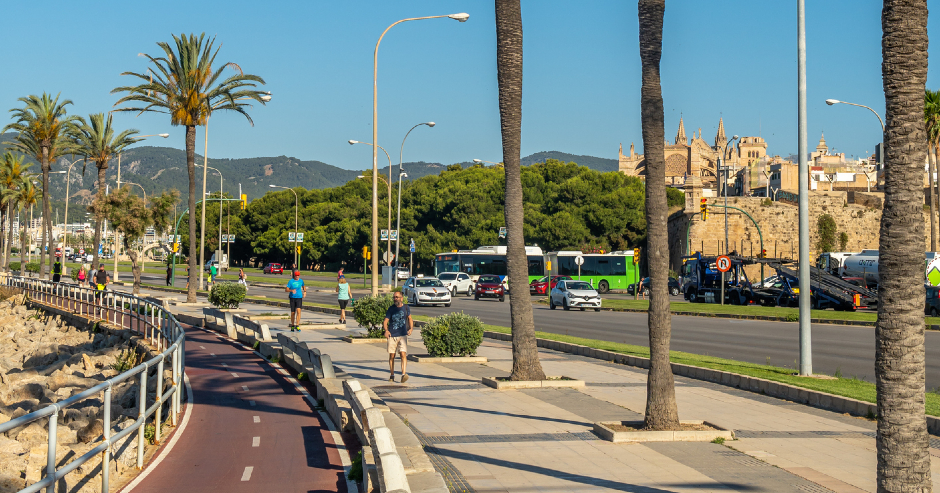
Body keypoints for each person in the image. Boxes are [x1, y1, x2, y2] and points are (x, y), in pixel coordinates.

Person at [383, 291, 413, 383]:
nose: (395, 299)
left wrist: (411, 329)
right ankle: (392, 375)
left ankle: (403, 374)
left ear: (401, 298)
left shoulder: (406, 308)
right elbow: (385, 321)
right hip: (392, 335)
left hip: (403, 335)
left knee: (403, 354)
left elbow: (410, 319)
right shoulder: (391, 309)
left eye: (397, 297)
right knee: (392, 355)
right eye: (394, 297)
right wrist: (386, 330)